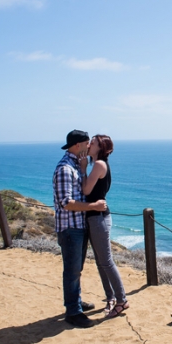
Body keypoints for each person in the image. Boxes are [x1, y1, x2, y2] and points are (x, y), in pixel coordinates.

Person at [53, 129, 107, 328]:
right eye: (86, 144)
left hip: (78, 226)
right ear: (78, 146)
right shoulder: (65, 169)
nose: (89, 147)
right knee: (72, 270)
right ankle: (73, 312)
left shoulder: (76, 165)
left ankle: (75, 303)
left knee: (77, 268)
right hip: (70, 228)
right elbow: (66, 202)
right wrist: (93, 207)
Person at [81, 134, 129, 318]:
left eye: (93, 143)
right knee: (101, 261)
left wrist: (83, 168)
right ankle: (111, 298)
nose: (90, 144)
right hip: (96, 217)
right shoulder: (99, 164)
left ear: (101, 148)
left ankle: (122, 300)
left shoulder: (99, 165)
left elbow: (86, 190)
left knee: (106, 261)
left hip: (98, 218)